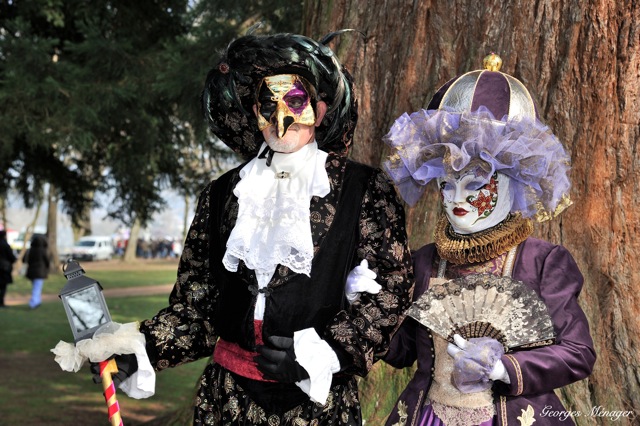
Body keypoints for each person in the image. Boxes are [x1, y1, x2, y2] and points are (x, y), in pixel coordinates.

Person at [62, 31, 413, 425]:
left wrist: (326, 352)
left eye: (295, 101)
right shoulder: (222, 195)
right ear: (254, 113)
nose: (282, 118)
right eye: (268, 103)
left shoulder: (364, 189)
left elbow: (391, 288)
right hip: (227, 400)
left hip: (316, 407)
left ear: (321, 108)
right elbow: (198, 308)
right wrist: (139, 351)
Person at [381, 54, 595, 426]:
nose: (456, 198)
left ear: (512, 184)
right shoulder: (425, 261)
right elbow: (402, 351)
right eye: (446, 184)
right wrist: (369, 301)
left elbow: (578, 352)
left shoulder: (543, 263)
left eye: (475, 183)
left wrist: (505, 368)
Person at [23, 234, 51, 309]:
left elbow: (24, 260)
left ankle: (37, 301)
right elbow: (47, 261)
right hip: (40, 272)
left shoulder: (30, 250)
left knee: (36, 287)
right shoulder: (42, 251)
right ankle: (33, 303)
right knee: (37, 287)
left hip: (31, 272)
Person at [0, 229, 17, 308]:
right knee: (3, 286)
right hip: (4, 268)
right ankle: (1, 302)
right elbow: (11, 257)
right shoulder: (5, 245)